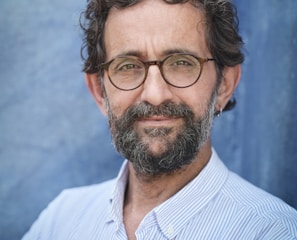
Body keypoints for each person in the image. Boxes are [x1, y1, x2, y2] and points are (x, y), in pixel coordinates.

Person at [23, 0, 297, 239]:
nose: (155, 95)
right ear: (99, 92)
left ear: (225, 84)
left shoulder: (275, 231)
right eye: (128, 66)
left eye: (181, 63)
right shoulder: (60, 220)